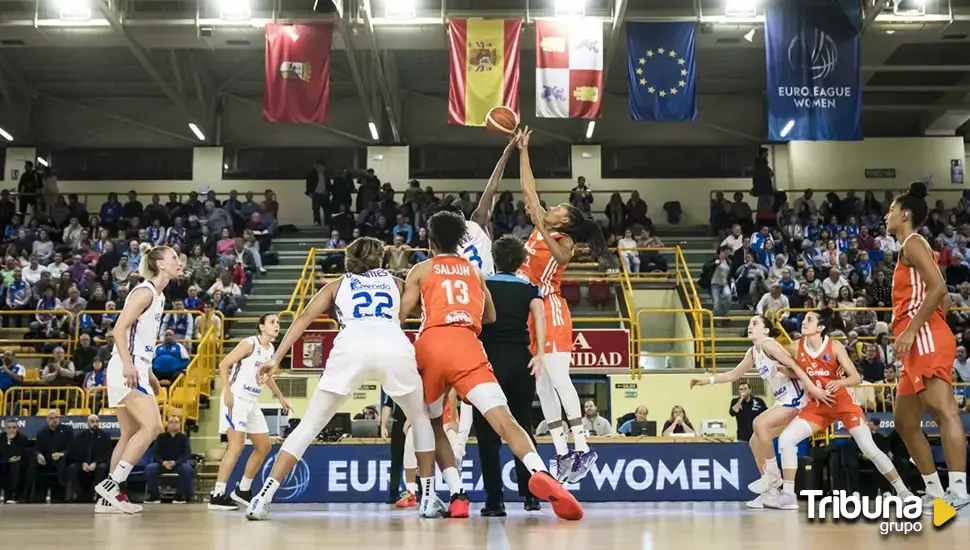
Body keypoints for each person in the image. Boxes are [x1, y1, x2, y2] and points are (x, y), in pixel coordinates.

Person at [399, 210, 582, 520]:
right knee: (506, 418)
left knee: (431, 423)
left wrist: (429, 309)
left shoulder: (420, 269)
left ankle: (442, 495)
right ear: (460, 241)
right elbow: (490, 317)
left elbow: (401, 316)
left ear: (430, 241)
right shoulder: (474, 271)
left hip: (431, 345)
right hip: (468, 347)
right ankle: (539, 471)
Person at [246, 237, 440, 521]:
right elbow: (422, 312)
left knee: (310, 425)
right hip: (393, 345)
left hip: (351, 346)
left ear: (349, 260)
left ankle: (264, 497)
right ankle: (428, 497)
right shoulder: (396, 283)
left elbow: (303, 317)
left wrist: (276, 358)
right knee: (420, 418)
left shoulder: (336, 285)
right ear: (380, 260)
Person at [518, 127, 617, 484]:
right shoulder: (543, 224)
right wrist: (523, 150)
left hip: (552, 310)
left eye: (559, 208)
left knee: (559, 378)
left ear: (566, 221)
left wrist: (540, 227)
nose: (552, 207)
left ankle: (583, 446)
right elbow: (528, 188)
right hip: (531, 313)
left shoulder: (565, 240)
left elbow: (558, 255)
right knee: (542, 386)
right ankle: (561, 452)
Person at [750, 309, 914, 510]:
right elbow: (795, 370)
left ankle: (904, 492)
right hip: (818, 406)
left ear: (820, 328)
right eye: (804, 319)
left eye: (809, 319)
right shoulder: (795, 347)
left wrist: (840, 382)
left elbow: (856, 377)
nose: (803, 322)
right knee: (786, 440)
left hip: (844, 404)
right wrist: (783, 369)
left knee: (869, 448)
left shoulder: (834, 346)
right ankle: (788, 494)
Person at [885, 181, 967, 509]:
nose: (886, 215)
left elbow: (940, 287)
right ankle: (934, 491)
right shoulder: (910, 247)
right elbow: (943, 298)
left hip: (923, 337)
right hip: (918, 339)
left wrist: (914, 330)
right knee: (905, 421)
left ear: (905, 214)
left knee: (944, 410)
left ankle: (959, 489)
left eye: (891, 209)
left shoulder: (914, 242)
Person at [690, 315, 829, 509]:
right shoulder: (754, 352)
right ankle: (770, 493)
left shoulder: (769, 344)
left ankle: (773, 476)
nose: (750, 326)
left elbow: (796, 366)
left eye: (755, 323)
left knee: (759, 423)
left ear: (765, 330)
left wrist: (811, 387)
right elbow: (734, 374)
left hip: (798, 399)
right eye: (749, 323)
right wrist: (709, 380)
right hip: (783, 399)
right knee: (755, 441)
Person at [94, 243, 181, 514]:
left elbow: (141, 338)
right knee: (153, 426)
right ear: (160, 264)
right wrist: (131, 365)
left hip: (137, 366)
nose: (180, 261)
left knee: (129, 433)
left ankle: (106, 500)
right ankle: (112, 484)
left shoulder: (160, 297)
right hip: (125, 366)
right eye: (174, 258)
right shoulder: (144, 291)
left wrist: (150, 372)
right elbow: (119, 328)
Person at [474, 235, 547, 516]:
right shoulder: (531, 288)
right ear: (522, 261)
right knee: (522, 425)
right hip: (521, 361)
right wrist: (539, 353)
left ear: (494, 258)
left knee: (487, 432)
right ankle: (531, 496)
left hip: (488, 362)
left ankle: (495, 501)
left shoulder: (485, 285)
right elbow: (539, 320)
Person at [209, 314, 291, 510]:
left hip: (252, 401)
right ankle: (217, 494)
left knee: (264, 446)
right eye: (272, 322)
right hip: (236, 398)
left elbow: (267, 377)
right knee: (235, 447)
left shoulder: (271, 350)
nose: (276, 326)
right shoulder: (249, 343)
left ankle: (242, 490)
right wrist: (227, 391)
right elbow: (224, 364)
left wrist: (280, 396)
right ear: (261, 327)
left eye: (278, 323)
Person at [145, 415, 195, 504]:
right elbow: (155, 453)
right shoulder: (161, 437)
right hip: (162, 464)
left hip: (177, 464)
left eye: (176, 422)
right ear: (167, 424)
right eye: (171, 422)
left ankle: (179, 496)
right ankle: (154, 496)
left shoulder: (184, 438)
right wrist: (162, 462)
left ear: (180, 424)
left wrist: (175, 462)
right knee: (150, 468)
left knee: (187, 469)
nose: (174, 424)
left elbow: (187, 454)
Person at [66, 414, 111, 502]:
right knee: (71, 468)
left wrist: (95, 463)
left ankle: (93, 493)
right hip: (83, 462)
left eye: (97, 422)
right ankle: (79, 494)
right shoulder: (80, 436)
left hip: (98, 463)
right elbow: (76, 452)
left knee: (102, 468)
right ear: (88, 423)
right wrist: (83, 462)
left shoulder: (105, 436)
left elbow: (106, 453)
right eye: (92, 422)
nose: (95, 424)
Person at [0, 419, 30, 503]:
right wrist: (8, 460)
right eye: (9, 428)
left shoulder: (22, 438)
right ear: (5, 429)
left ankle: (13, 495)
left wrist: (12, 441)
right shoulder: (1, 438)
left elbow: (21, 453)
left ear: (17, 428)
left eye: (14, 427)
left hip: (19, 464)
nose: (11, 430)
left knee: (14, 465)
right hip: (3, 463)